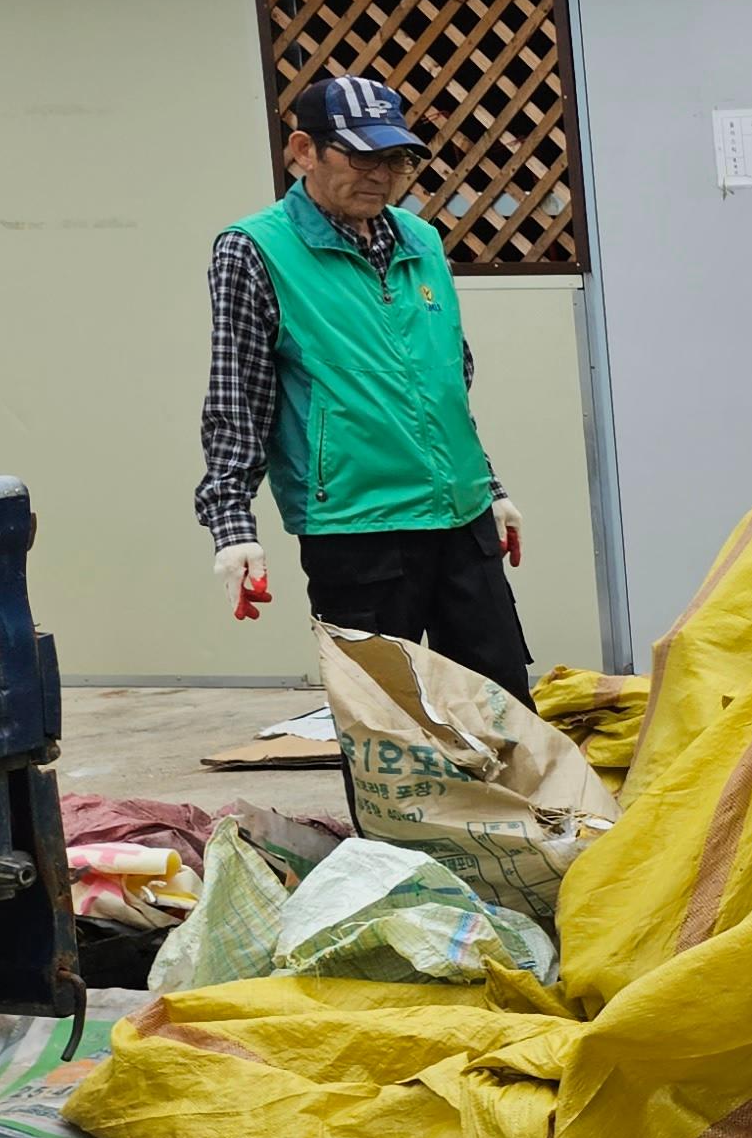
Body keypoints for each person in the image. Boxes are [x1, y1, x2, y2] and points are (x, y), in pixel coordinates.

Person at [196, 73, 531, 700]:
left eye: (395, 159)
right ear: (303, 151)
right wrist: (232, 524)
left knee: (501, 706)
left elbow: (445, 385)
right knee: (387, 726)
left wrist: (490, 484)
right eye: (360, 155)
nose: (381, 174)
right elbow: (238, 396)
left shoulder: (421, 240)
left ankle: (517, 807)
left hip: (461, 517)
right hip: (357, 527)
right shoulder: (255, 250)